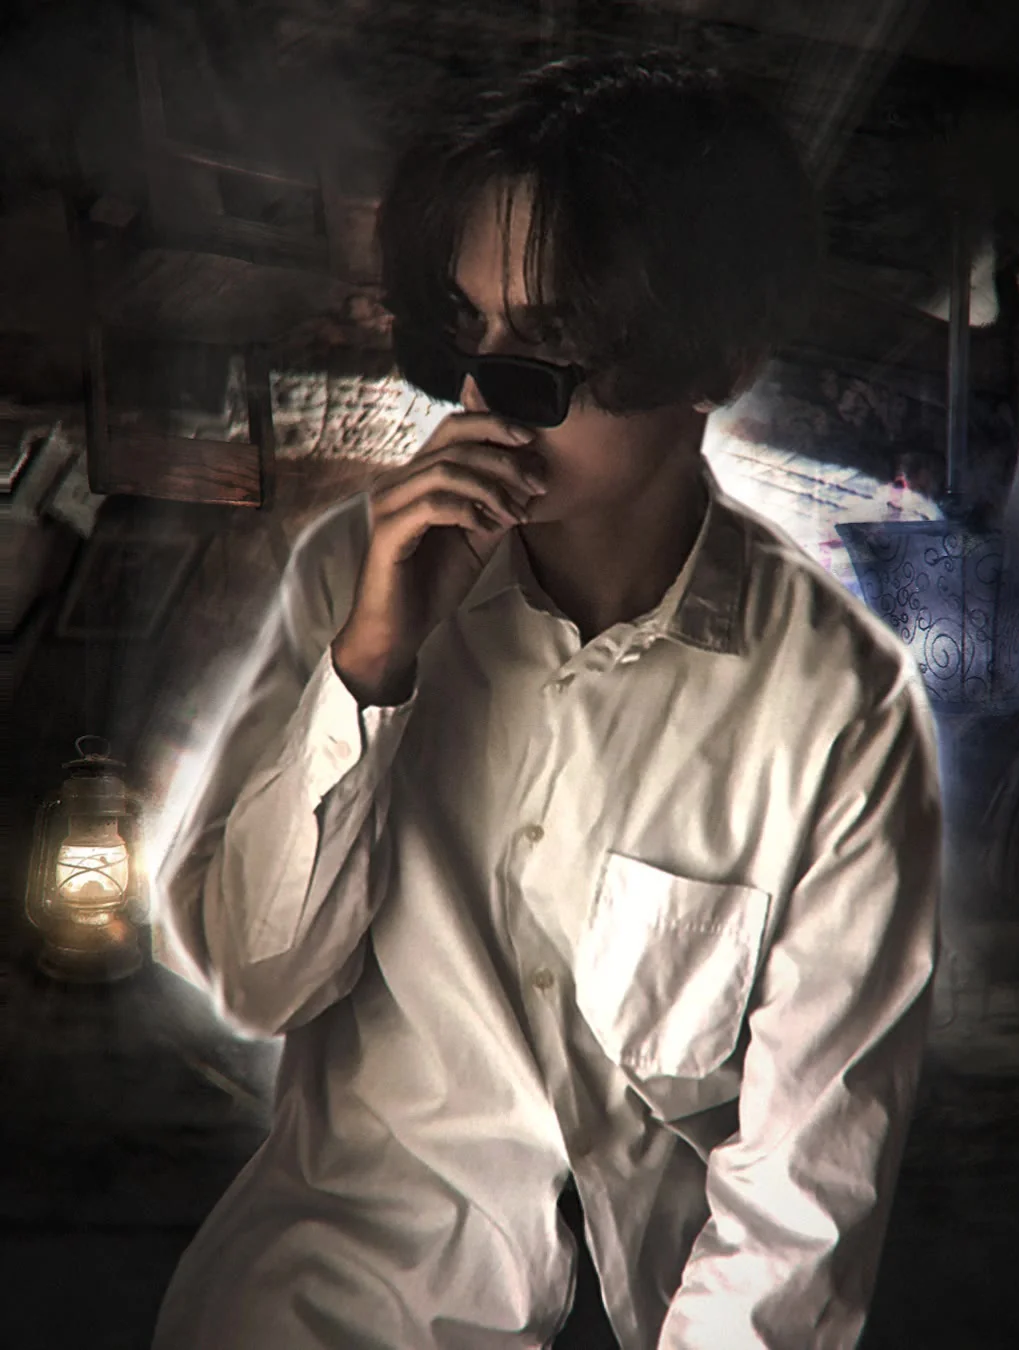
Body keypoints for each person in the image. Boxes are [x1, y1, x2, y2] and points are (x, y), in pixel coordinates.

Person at [151, 49, 941, 1350]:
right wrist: (372, 668)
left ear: (719, 356)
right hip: (338, 1308)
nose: (482, 396)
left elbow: (802, 1203)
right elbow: (255, 975)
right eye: (461, 335)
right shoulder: (357, 575)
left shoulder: (839, 709)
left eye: (553, 347)